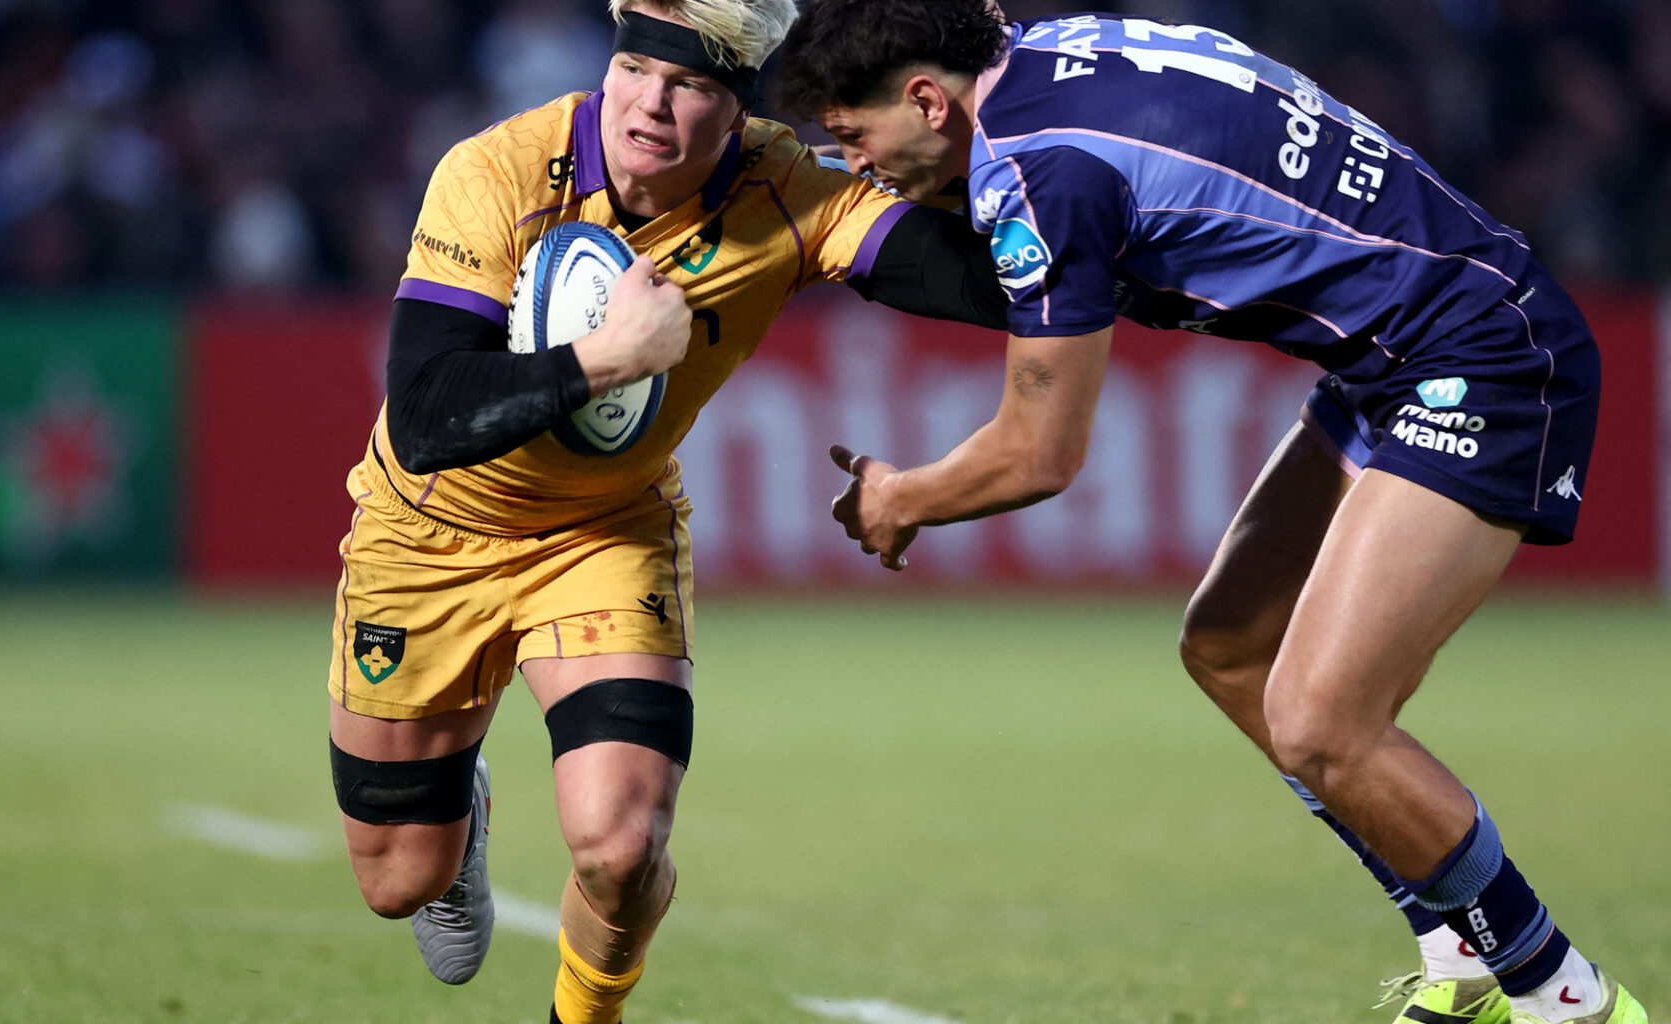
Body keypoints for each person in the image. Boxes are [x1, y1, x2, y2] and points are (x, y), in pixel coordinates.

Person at [774, 5, 1648, 1024]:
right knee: (1233, 648)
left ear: (928, 98)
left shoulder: (1043, 170)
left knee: (1323, 724)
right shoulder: (1057, 49)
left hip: (1482, 358)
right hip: (1396, 356)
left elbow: (1039, 452)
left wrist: (902, 496)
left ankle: (1566, 999)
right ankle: (1461, 949)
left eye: (855, 137)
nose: (861, 166)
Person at [325, 2, 1005, 1021]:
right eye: (636, 69)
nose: (650, 103)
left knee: (623, 843)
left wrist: (1052, 183)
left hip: (604, 532)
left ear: (737, 110)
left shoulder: (787, 190)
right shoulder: (497, 171)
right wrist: (606, 358)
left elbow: (989, 282)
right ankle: (457, 819)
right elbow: (424, 415)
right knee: (399, 882)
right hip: (429, 529)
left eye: (689, 85)